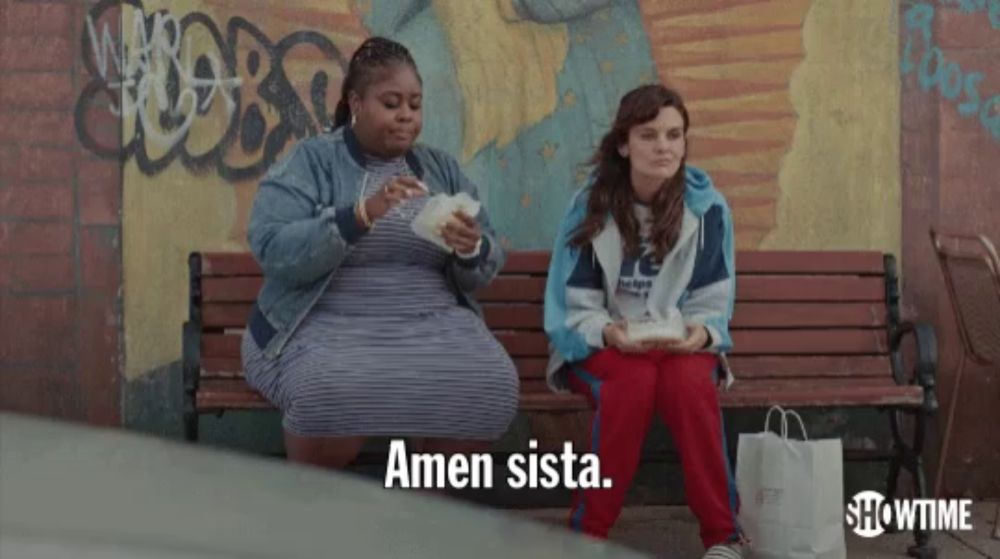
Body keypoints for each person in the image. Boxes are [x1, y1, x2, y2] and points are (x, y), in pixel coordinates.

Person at [241, 37, 519, 468]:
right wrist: (358, 216)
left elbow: (484, 261)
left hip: (430, 325)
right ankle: (313, 508)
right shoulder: (313, 162)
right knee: (332, 385)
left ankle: (422, 509)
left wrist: (473, 248)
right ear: (356, 103)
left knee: (490, 382)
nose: (406, 115)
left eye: (414, 104)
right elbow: (273, 248)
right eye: (392, 103)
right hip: (325, 325)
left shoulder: (440, 169)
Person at [543, 85, 745, 559]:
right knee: (631, 384)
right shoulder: (590, 205)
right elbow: (573, 301)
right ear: (623, 143)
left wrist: (702, 331)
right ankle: (587, 534)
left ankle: (723, 536)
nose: (664, 147)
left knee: (690, 383)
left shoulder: (707, 209)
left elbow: (712, 295)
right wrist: (607, 332)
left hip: (676, 342)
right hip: (600, 342)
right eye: (649, 134)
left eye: (674, 135)